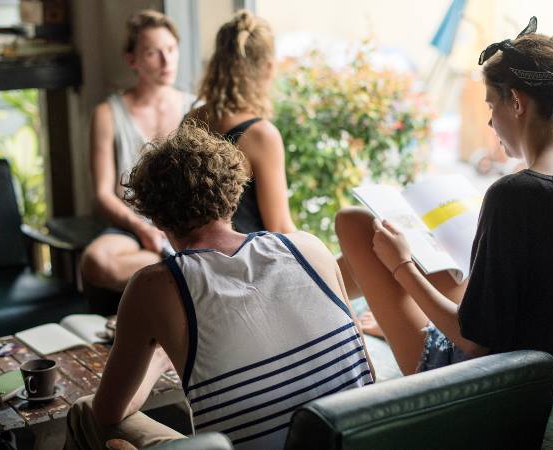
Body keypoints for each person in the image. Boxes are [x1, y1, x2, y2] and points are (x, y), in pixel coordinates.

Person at [335, 17, 553, 401]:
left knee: (355, 224)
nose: (489, 121)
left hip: (490, 384)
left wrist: (401, 264)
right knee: (443, 262)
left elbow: (474, 343)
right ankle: (390, 317)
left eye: (490, 105)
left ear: (516, 102)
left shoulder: (516, 193)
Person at [65, 124, 374, 450]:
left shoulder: (154, 286)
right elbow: (365, 372)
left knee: (85, 410)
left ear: (155, 218)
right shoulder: (310, 249)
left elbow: (108, 412)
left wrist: (158, 357)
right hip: (360, 441)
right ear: (234, 193)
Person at [81, 10, 197, 293]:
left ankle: (177, 264)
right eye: (152, 53)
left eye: (171, 49)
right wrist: (141, 227)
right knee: (94, 261)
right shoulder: (108, 114)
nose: (167, 61)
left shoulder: (196, 109)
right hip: (132, 226)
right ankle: (185, 268)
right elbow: (103, 195)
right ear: (132, 60)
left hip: (185, 223)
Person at [187, 10, 295, 234]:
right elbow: (280, 228)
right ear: (268, 68)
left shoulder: (192, 120)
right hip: (245, 261)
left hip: (196, 259)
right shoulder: (261, 135)